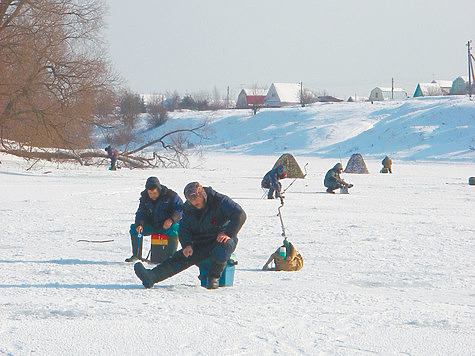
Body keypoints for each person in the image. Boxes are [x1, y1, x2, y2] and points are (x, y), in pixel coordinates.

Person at [134, 182, 246, 289]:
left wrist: (228, 233)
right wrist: (187, 245)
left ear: (202, 195)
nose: (194, 203)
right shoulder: (188, 208)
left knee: (224, 245)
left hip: (220, 238)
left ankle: (213, 278)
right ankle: (151, 276)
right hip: (201, 241)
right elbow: (184, 229)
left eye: (196, 200)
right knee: (181, 257)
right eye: (191, 201)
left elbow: (240, 214)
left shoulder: (219, 200)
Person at [125, 177, 183, 262]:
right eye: (150, 193)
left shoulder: (170, 195)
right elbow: (141, 213)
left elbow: (180, 209)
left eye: (155, 193)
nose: (153, 196)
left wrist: (171, 220)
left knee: (175, 229)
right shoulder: (144, 198)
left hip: (167, 226)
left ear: (159, 190)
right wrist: (139, 224)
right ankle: (136, 255)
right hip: (152, 225)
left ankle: (171, 258)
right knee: (134, 228)